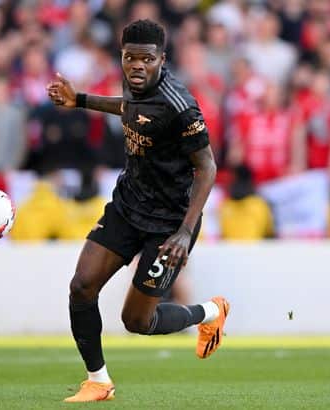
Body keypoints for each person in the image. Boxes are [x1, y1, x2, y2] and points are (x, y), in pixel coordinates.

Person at [46, 19, 229, 403]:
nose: (137, 66)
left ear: (162, 59)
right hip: (128, 206)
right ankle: (98, 381)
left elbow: (207, 167)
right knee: (81, 287)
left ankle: (210, 312)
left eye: (147, 59)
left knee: (137, 321)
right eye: (130, 58)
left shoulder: (181, 105)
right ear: (122, 56)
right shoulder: (135, 84)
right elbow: (130, 108)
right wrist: (80, 100)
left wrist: (184, 232)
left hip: (168, 224)